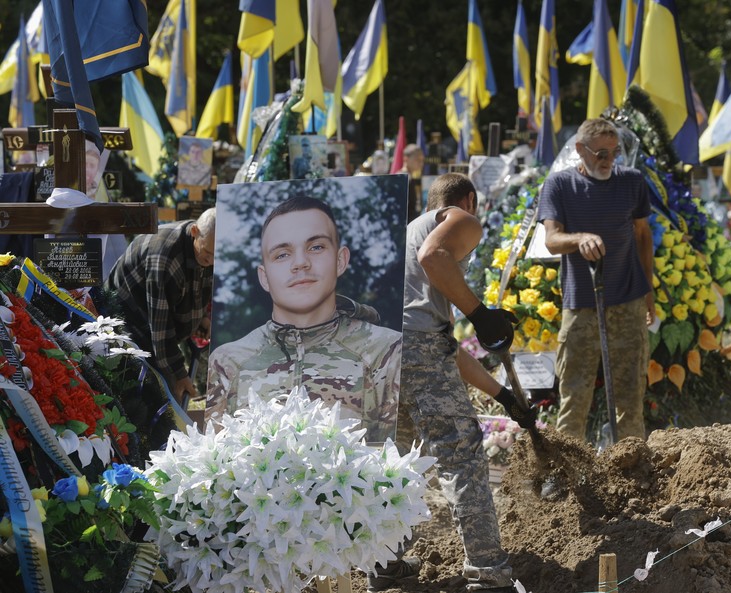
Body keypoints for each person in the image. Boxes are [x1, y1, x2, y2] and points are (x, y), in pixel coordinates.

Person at [375, 173, 533, 593]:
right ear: (467, 201)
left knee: (396, 462)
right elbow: (435, 257)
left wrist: (503, 397)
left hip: (382, 351)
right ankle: (487, 571)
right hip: (417, 348)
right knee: (460, 457)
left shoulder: (405, 236)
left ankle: (383, 565)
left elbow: (442, 345)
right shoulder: (462, 217)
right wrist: (481, 314)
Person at [205, 196, 401, 443]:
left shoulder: (387, 353)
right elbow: (216, 465)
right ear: (264, 277)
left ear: (340, 260)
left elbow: (396, 463)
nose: (300, 263)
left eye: (316, 247)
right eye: (282, 254)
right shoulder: (228, 361)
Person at [538, 117, 655, 443]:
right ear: (580, 150)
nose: (609, 160)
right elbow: (551, 240)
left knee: (630, 394)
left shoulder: (631, 182)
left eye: (614, 152)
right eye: (601, 153)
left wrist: (649, 290)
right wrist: (580, 240)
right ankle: (567, 473)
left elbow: (643, 235)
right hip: (581, 304)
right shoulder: (560, 185)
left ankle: (630, 466)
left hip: (628, 299)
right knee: (574, 394)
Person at [107, 208, 215, 406]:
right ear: (194, 232)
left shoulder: (207, 243)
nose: (211, 261)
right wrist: (179, 375)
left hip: (155, 321)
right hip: (128, 319)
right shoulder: (164, 256)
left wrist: (200, 318)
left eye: (217, 255)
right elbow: (160, 328)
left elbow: (196, 287)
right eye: (207, 253)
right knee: (162, 397)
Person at [400, 143, 425, 221]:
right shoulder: (402, 179)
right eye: (417, 160)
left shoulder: (412, 178)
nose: (421, 163)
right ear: (406, 159)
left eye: (422, 160)